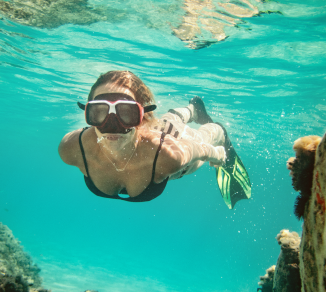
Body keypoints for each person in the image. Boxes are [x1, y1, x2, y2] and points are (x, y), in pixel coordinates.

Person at [59, 70, 231, 203]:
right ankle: (192, 109)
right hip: (149, 135)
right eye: (99, 112)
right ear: (89, 113)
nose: (112, 126)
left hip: (163, 145)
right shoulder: (72, 148)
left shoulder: (168, 155)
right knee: (168, 121)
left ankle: (216, 127)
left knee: (197, 136)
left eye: (126, 113)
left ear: (142, 116)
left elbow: (201, 148)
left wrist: (218, 154)